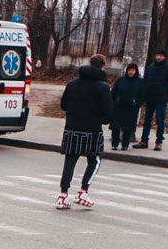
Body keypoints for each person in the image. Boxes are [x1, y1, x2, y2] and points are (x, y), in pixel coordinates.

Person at [56, 54, 112, 210]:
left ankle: (63, 195)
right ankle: (83, 191)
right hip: (92, 129)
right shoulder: (103, 87)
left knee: (70, 160)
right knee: (94, 160)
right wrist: (102, 120)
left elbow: (63, 105)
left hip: (72, 128)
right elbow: (108, 111)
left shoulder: (72, 84)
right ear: (103, 67)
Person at [134, 49, 168, 151]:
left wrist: (164, 90)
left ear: (164, 57)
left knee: (160, 120)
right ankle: (144, 141)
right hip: (150, 98)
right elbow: (145, 81)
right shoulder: (150, 67)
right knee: (147, 120)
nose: (158, 57)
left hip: (161, 98)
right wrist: (145, 93)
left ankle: (159, 142)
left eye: (161, 56)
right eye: (157, 55)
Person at [109, 63, 144, 150]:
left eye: (133, 70)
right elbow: (113, 92)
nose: (131, 72)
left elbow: (142, 96)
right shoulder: (121, 80)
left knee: (128, 127)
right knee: (116, 127)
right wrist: (114, 102)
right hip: (119, 106)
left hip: (131, 108)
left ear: (136, 71)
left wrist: (137, 104)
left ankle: (125, 145)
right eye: (129, 70)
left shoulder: (140, 82)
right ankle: (114, 144)